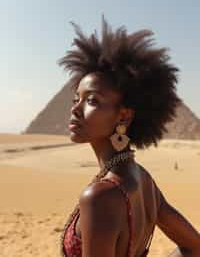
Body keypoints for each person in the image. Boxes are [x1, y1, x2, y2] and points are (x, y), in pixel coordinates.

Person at [58, 17, 200, 257]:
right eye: (76, 99)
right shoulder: (143, 179)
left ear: (123, 116)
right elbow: (194, 246)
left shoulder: (99, 197)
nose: (75, 109)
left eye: (92, 100)